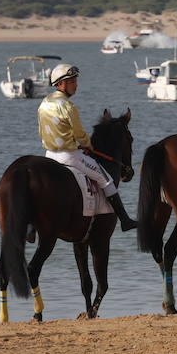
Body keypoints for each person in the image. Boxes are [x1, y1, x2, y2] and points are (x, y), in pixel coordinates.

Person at [37, 62, 137, 231]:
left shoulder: (44, 102)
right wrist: (88, 146)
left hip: (49, 155)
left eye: (75, 81)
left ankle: (33, 227)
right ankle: (125, 220)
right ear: (61, 84)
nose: (76, 85)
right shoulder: (68, 107)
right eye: (72, 82)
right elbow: (79, 133)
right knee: (106, 180)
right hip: (69, 156)